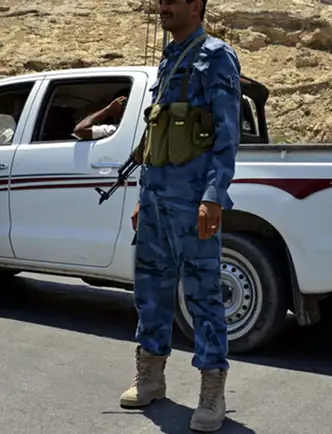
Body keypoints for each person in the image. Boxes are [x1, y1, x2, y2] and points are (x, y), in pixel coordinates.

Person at [117, 0, 241, 432]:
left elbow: (227, 135)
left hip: (192, 203)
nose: (163, 5)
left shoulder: (216, 56)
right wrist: (143, 196)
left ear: (195, 5)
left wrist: (213, 196)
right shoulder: (170, 58)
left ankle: (212, 391)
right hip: (155, 201)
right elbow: (158, 133)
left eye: (172, 0)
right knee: (150, 289)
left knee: (203, 295)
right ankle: (150, 375)